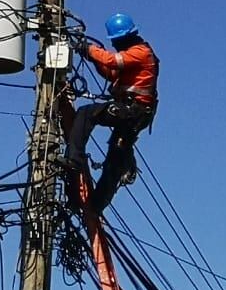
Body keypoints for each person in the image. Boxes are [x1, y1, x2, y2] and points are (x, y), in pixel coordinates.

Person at [65, 12, 159, 212]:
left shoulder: (139, 52)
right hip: (135, 113)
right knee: (115, 159)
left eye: (116, 41)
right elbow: (111, 72)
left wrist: (89, 50)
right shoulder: (135, 54)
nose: (115, 44)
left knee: (86, 114)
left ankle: (75, 158)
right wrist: (91, 56)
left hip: (133, 110)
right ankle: (96, 204)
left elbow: (113, 61)